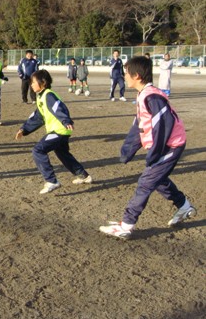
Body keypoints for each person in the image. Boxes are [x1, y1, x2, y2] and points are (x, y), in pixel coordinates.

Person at [99, 56, 196, 239]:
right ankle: (183, 206)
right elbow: (140, 125)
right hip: (164, 146)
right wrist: (127, 151)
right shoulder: (144, 94)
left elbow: (164, 125)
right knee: (157, 179)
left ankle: (126, 225)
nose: (124, 76)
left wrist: (155, 153)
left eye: (126, 73)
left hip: (171, 146)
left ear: (136, 76)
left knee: (145, 182)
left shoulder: (151, 96)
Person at [15, 69, 92, 194]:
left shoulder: (49, 95)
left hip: (59, 131)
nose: (31, 85)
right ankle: (84, 176)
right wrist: (24, 129)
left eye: (33, 82)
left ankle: (52, 181)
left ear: (43, 83)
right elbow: (38, 117)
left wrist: (66, 121)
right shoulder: (41, 97)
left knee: (38, 150)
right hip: (60, 131)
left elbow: (59, 108)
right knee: (63, 154)